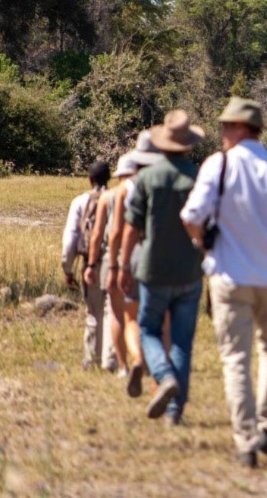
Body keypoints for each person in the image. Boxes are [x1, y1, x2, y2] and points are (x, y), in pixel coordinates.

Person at [181, 97, 267, 467]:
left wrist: (202, 244)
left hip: (228, 278)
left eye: (227, 126)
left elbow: (191, 216)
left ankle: (245, 440)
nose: (222, 133)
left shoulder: (218, 165)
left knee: (236, 360)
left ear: (242, 128)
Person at [119, 110, 205, 426]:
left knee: (148, 329)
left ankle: (163, 375)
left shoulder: (147, 178)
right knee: (182, 340)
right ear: (188, 145)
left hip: (153, 269)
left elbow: (131, 228)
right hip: (190, 270)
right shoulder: (198, 177)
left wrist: (122, 265)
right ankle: (175, 412)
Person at [84, 132, 165, 390]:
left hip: (116, 257)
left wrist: (92, 263)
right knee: (147, 314)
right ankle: (151, 363)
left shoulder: (112, 196)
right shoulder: (156, 187)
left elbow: (102, 234)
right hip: (151, 254)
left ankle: (123, 365)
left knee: (119, 315)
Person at [62, 161, 116, 371]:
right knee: (113, 310)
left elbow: (70, 238)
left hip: (90, 263)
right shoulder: (117, 198)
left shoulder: (80, 202)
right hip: (115, 260)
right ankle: (111, 360)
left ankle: (91, 359)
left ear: (89, 179)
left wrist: (68, 268)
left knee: (94, 312)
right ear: (109, 178)